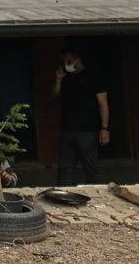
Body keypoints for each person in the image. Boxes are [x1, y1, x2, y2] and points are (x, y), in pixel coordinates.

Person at [53, 44, 110, 185]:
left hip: (87, 131)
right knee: (65, 170)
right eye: (64, 62)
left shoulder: (94, 75)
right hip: (67, 130)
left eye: (69, 61)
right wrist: (58, 79)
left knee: (91, 170)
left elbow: (103, 103)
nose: (67, 64)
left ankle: (96, 192)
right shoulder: (66, 77)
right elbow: (55, 95)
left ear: (77, 59)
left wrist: (105, 128)